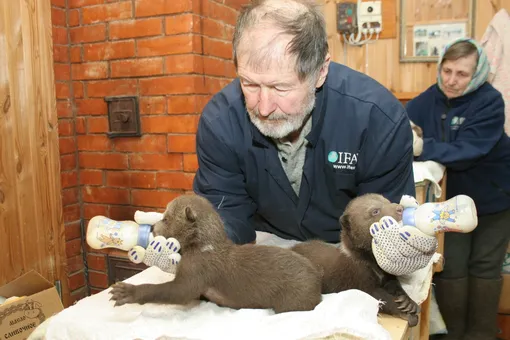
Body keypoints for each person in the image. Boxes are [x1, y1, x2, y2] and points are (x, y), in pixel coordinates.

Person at [193, 0, 436, 274]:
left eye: (280, 88)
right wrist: (197, 243)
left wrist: (401, 248)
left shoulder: (377, 118)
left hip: (351, 255)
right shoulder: (220, 122)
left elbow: (385, 224)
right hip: (268, 252)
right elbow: (226, 211)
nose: (262, 107)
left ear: (320, 71)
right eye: (249, 84)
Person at [407, 37, 510, 340]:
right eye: (447, 71)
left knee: (485, 267)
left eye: (462, 74)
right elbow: (403, 122)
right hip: (450, 202)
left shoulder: (490, 101)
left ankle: (481, 334)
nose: (451, 81)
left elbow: (468, 150)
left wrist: (423, 146)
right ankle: (453, 335)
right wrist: (407, 133)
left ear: (477, 75)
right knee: (450, 268)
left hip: (494, 196)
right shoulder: (427, 100)